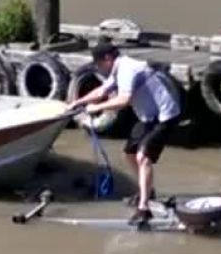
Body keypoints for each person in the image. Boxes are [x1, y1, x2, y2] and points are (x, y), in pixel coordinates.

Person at [68, 42, 182, 227]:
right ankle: (148, 191)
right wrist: (78, 102)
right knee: (129, 154)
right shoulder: (117, 69)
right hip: (147, 117)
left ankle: (144, 209)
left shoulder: (128, 69)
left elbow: (123, 100)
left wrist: (96, 108)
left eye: (98, 64)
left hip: (165, 117)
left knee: (143, 157)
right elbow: (103, 90)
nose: (98, 68)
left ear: (107, 59)